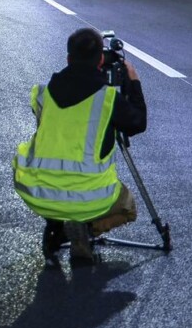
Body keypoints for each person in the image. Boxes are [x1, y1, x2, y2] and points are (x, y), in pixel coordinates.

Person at [13, 27, 147, 263]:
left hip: (38, 192)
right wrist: (133, 83)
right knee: (128, 208)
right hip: (91, 198)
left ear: (68, 58)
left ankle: (56, 226)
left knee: (56, 175)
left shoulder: (43, 94)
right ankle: (83, 231)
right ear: (101, 61)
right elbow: (138, 123)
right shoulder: (107, 99)